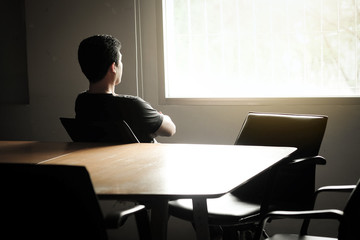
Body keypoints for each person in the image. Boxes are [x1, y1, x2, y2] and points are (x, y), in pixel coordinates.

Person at [75, 34, 176, 143]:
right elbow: (170, 129)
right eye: (121, 61)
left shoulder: (82, 102)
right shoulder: (133, 105)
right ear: (113, 67)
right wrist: (162, 117)